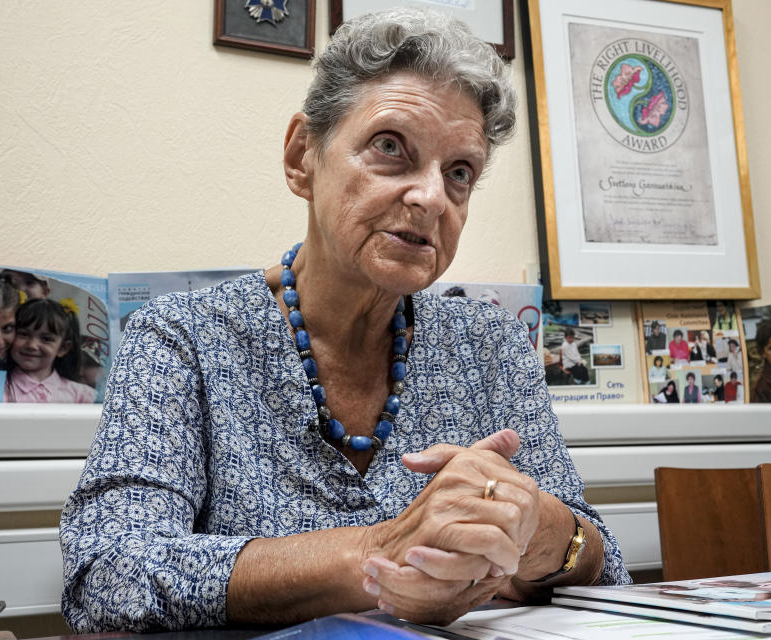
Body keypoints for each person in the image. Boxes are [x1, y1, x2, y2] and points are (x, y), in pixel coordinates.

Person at [59, 9, 629, 634]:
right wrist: (375, 556)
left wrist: (536, 525)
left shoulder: (489, 344)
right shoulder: (183, 336)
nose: (432, 197)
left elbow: (604, 564)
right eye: (391, 148)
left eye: (458, 173)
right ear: (303, 156)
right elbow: (106, 572)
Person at [4, 298, 95, 403]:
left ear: (63, 348)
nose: (32, 345)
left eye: (46, 339)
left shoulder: (83, 396)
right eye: (23, 334)